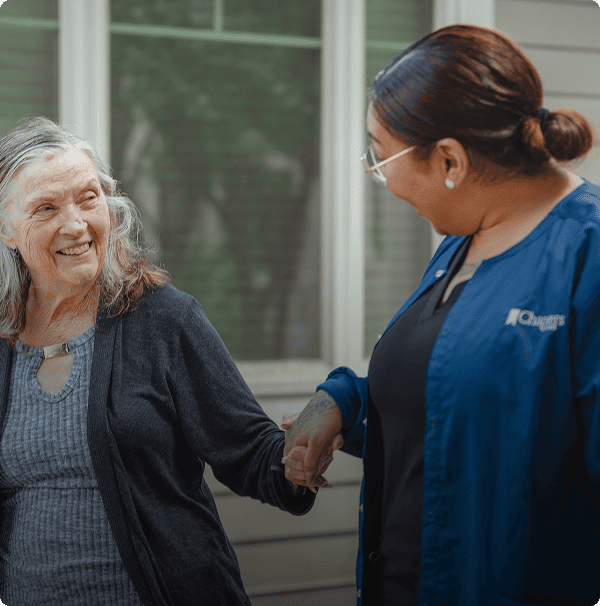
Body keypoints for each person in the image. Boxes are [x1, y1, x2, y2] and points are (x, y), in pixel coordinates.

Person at [282, 24, 600, 606]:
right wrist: (343, 402)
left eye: (380, 156)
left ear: (450, 159)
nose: (378, 176)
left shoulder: (588, 257)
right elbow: (462, 407)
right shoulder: (466, 237)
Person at [0, 116, 332, 606]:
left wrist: (297, 457)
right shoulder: (5, 342)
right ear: (7, 231)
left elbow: (248, 449)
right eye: (46, 208)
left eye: (89, 197)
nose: (75, 223)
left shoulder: (162, 320)